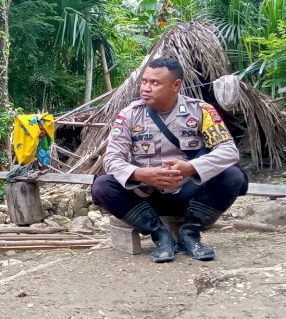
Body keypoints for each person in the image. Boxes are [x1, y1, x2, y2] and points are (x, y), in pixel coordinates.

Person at [91, 57, 246, 263]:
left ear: (176, 85)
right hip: (146, 196)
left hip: (189, 194)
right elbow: (112, 158)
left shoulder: (201, 111)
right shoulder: (129, 115)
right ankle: (159, 234)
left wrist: (191, 168)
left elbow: (228, 151)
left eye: (155, 83)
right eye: (144, 81)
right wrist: (142, 174)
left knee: (234, 175)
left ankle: (190, 233)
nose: (146, 88)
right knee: (102, 186)